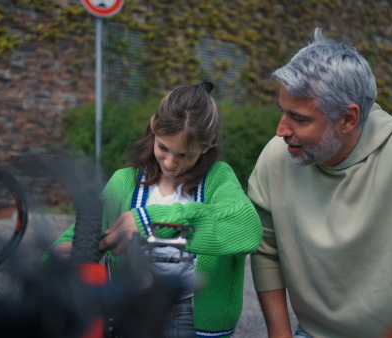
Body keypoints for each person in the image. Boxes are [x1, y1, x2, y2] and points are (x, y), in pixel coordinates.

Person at [248, 27, 392, 338]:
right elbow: (265, 251)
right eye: (283, 112)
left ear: (348, 119)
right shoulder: (277, 158)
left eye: (300, 118)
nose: (281, 130)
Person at [44, 81, 262, 338]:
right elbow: (80, 234)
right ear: (153, 127)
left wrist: (152, 223)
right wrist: (56, 259)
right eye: (163, 148)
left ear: (208, 144)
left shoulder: (218, 179)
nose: (170, 163)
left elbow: (247, 227)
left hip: (193, 314)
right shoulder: (124, 182)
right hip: (133, 309)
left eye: (185, 155)